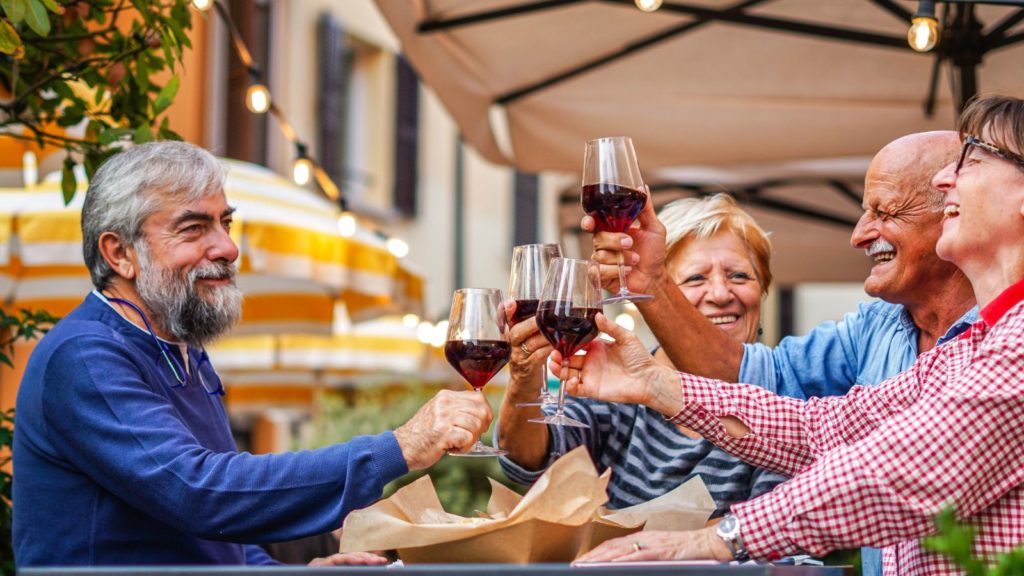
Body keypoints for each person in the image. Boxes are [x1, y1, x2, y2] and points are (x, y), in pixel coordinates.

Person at [567, 94, 1024, 575]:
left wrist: (718, 539)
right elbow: (821, 429)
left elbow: (899, 472)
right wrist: (653, 383)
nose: (945, 178)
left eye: (971, 161)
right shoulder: (973, 346)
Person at [12, 141, 493, 567]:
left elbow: (218, 541)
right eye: (193, 228)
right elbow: (199, 493)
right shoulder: (85, 357)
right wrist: (399, 447)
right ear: (120, 254)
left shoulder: (182, 352)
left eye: (224, 222)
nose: (227, 246)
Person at [497, 194, 787, 516]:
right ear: (652, 293)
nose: (720, 294)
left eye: (739, 276)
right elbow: (529, 465)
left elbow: (776, 528)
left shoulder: (783, 392)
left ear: (762, 290)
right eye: (695, 278)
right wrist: (524, 376)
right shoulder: (620, 378)